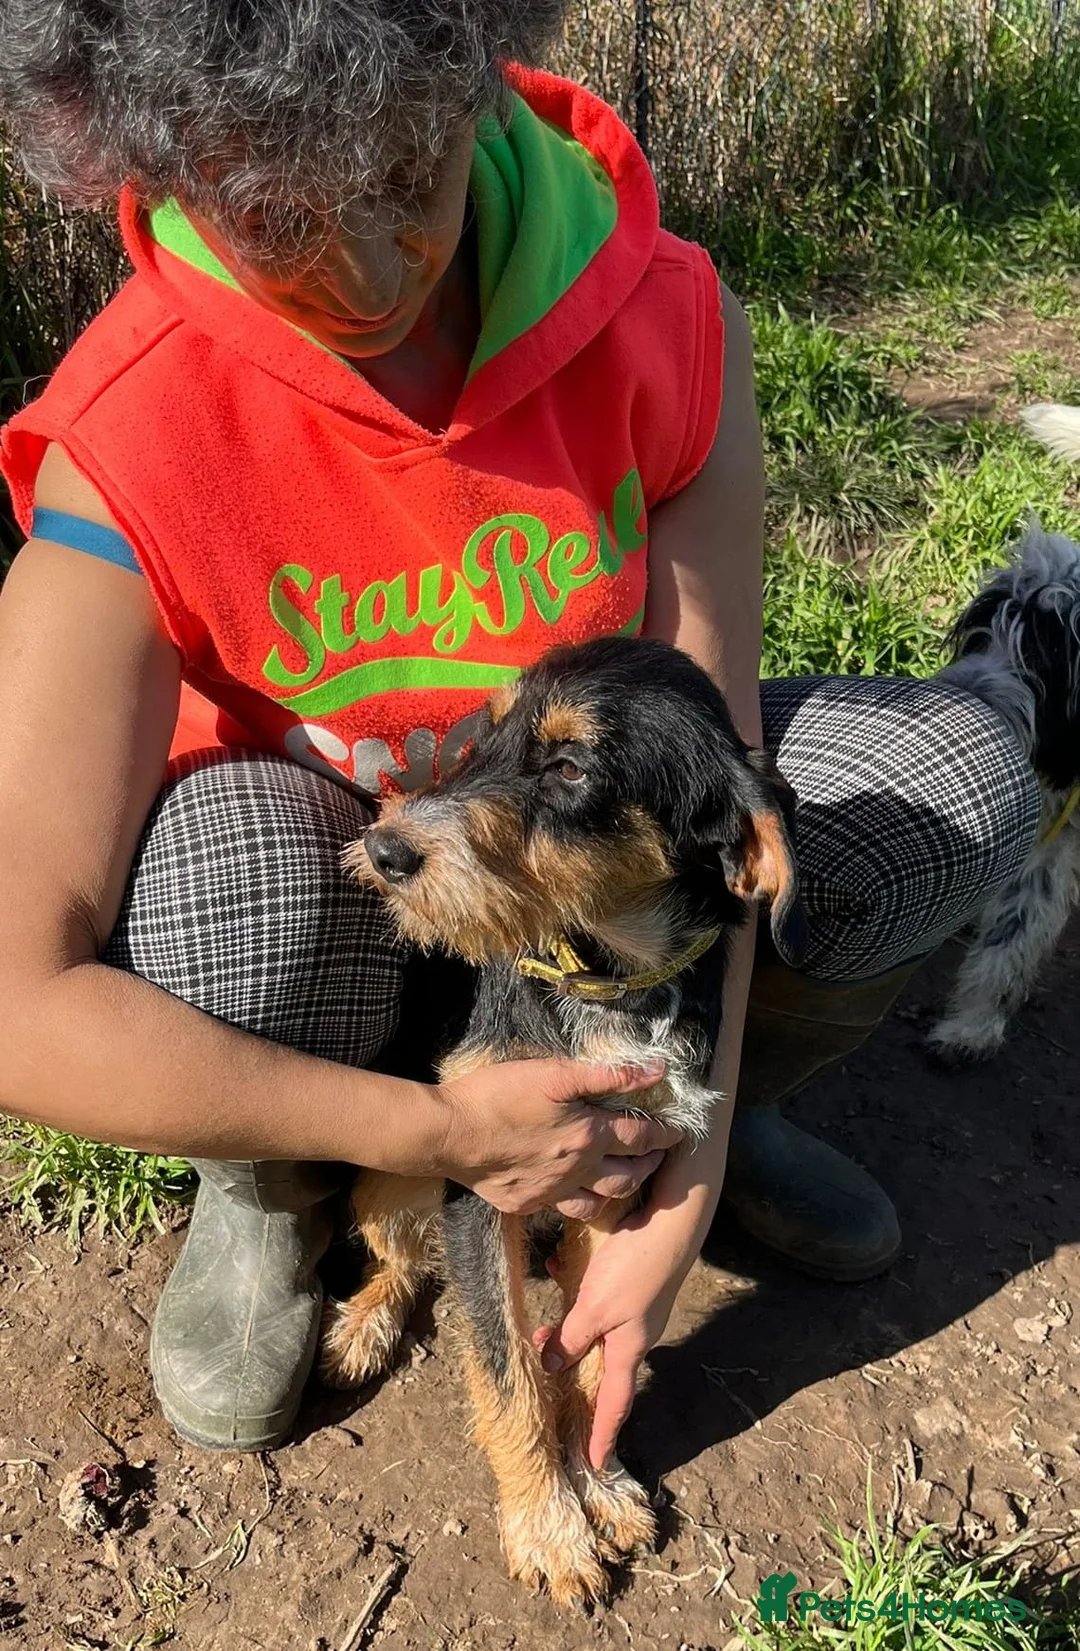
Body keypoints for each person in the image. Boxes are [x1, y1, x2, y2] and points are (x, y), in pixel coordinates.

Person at [0, 1, 1039, 1468]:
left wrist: (683, 1181)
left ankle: (691, 1126)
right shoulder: (128, 440)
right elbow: (11, 992)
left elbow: (711, 761)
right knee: (212, 900)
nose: (367, 272)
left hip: (597, 904)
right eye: (278, 213)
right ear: (167, 171)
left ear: (477, 82)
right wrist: (439, 1141)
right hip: (337, 910)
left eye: (407, 175)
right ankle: (283, 1181)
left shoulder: (662, 318)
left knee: (961, 783)